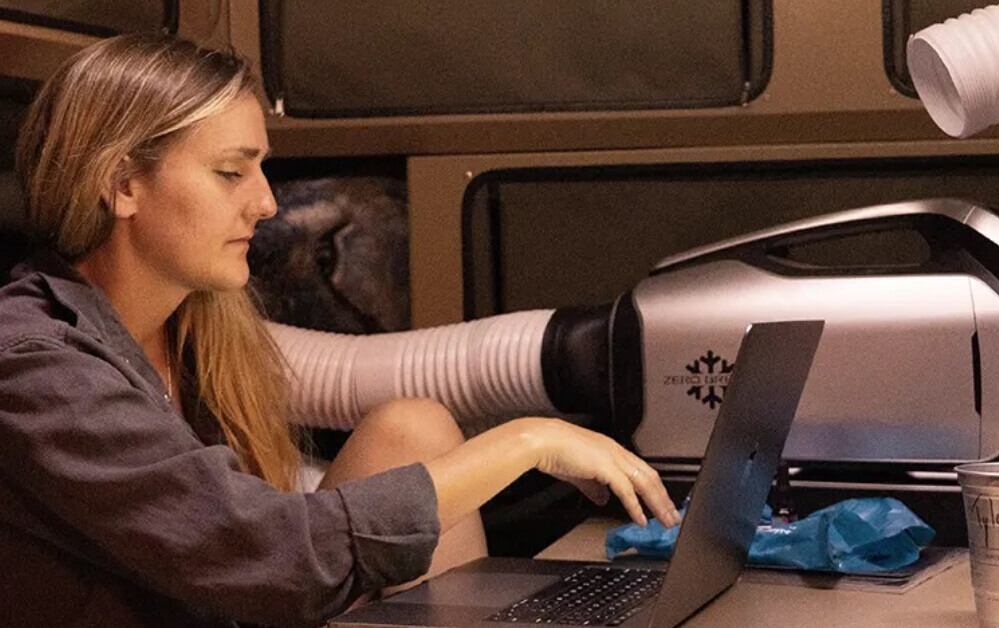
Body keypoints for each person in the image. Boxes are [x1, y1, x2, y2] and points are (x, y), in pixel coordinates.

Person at [0, 33, 680, 628]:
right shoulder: (32, 365)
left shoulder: (194, 325)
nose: (266, 203)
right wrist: (530, 440)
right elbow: (279, 554)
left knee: (411, 427)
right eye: (230, 172)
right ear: (121, 185)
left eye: (261, 169)